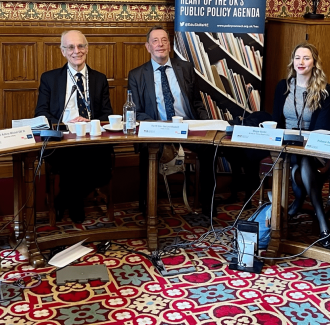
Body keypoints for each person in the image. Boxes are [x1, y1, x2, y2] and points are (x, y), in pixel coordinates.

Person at [127, 26, 215, 216]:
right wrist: (160, 127)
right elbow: (136, 113)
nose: (160, 44)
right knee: (148, 151)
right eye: (155, 41)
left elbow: (197, 102)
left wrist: (206, 124)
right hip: (157, 131)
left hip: (187, 127)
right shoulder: (137, 75)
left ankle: (208, 205)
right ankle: (148, 206)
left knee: (210, 147)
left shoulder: (185, 69)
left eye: (164, 40)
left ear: (170, 45)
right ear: (148, 46)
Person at [34, 30, 114, 223]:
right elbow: (41, 114)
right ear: (63, 51)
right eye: (70, 47)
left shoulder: (99, 79)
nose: (76, 51)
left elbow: (106, 114)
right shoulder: (50, 78)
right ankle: (76, 207)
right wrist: (65, 125)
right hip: (62, 142)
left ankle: (63, 199)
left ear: (87, 49)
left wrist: (91, 122)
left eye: (80, 46)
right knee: (73, 159)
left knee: (99, 165)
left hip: (92, 140)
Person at [272, 43, 330, 245]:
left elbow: (322, 126)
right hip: (285, 145)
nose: (301, 62)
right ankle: (322, 224)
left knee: (303, 162)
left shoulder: (324, 90)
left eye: (306, 58)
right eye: (297, 57)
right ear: (293, 61)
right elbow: (275, 120)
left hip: (312, 147)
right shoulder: (283, 86)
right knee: (300, 163)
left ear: (314, 62)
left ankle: (298, 204)